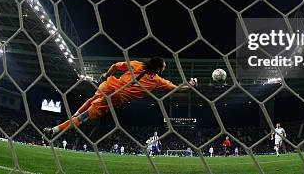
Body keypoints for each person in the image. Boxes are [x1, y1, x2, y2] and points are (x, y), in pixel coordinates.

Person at [43, 57, 195, 137]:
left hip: (109, 85)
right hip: (117, 97)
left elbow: (116, 66)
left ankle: (73, 117)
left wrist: (105, 75)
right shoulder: (158, 81)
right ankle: (56, 130)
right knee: (85, 116)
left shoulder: (136, 64)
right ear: (159, 69)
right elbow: (178, 89)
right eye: (163, 68)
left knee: (92, 100)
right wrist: (190, 85)